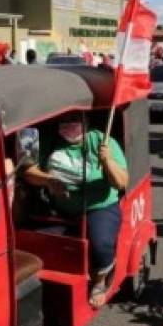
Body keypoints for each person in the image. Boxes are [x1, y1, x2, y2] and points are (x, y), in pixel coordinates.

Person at [22, 113, 128, 308]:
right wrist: (49, 180)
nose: (69, 126)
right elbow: (28, 172)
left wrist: (108, 161)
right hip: (60, 209)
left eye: (74, 121)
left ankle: (99, 281)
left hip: (99, 207)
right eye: (64, 122)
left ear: (85, 121)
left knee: (100, 244)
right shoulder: (49, 141)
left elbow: (121, 182)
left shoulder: (103, 141)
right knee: (31, 239)